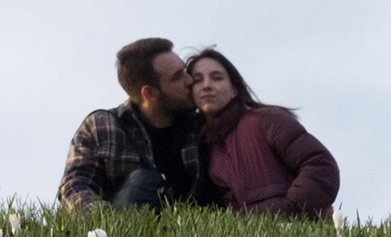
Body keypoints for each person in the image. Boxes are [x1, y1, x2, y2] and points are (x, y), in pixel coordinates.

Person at [187, 48, 339, 218]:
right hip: (247, 235)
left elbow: (320, 164)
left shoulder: (266, 120)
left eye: (217, 78)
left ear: (234, 89)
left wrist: (290, 211)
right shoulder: (200, 147)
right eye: (198, 80)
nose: (206, 85)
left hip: (294, 229)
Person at [58, 38, 202, 212]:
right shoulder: (101, 126)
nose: (190, 80)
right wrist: (112, 221)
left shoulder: (201, 125)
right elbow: (74, 187)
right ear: (150, 93)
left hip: (191, 224)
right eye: (177, 77)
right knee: (142, 180)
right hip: (126, 223)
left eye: (185, 71)